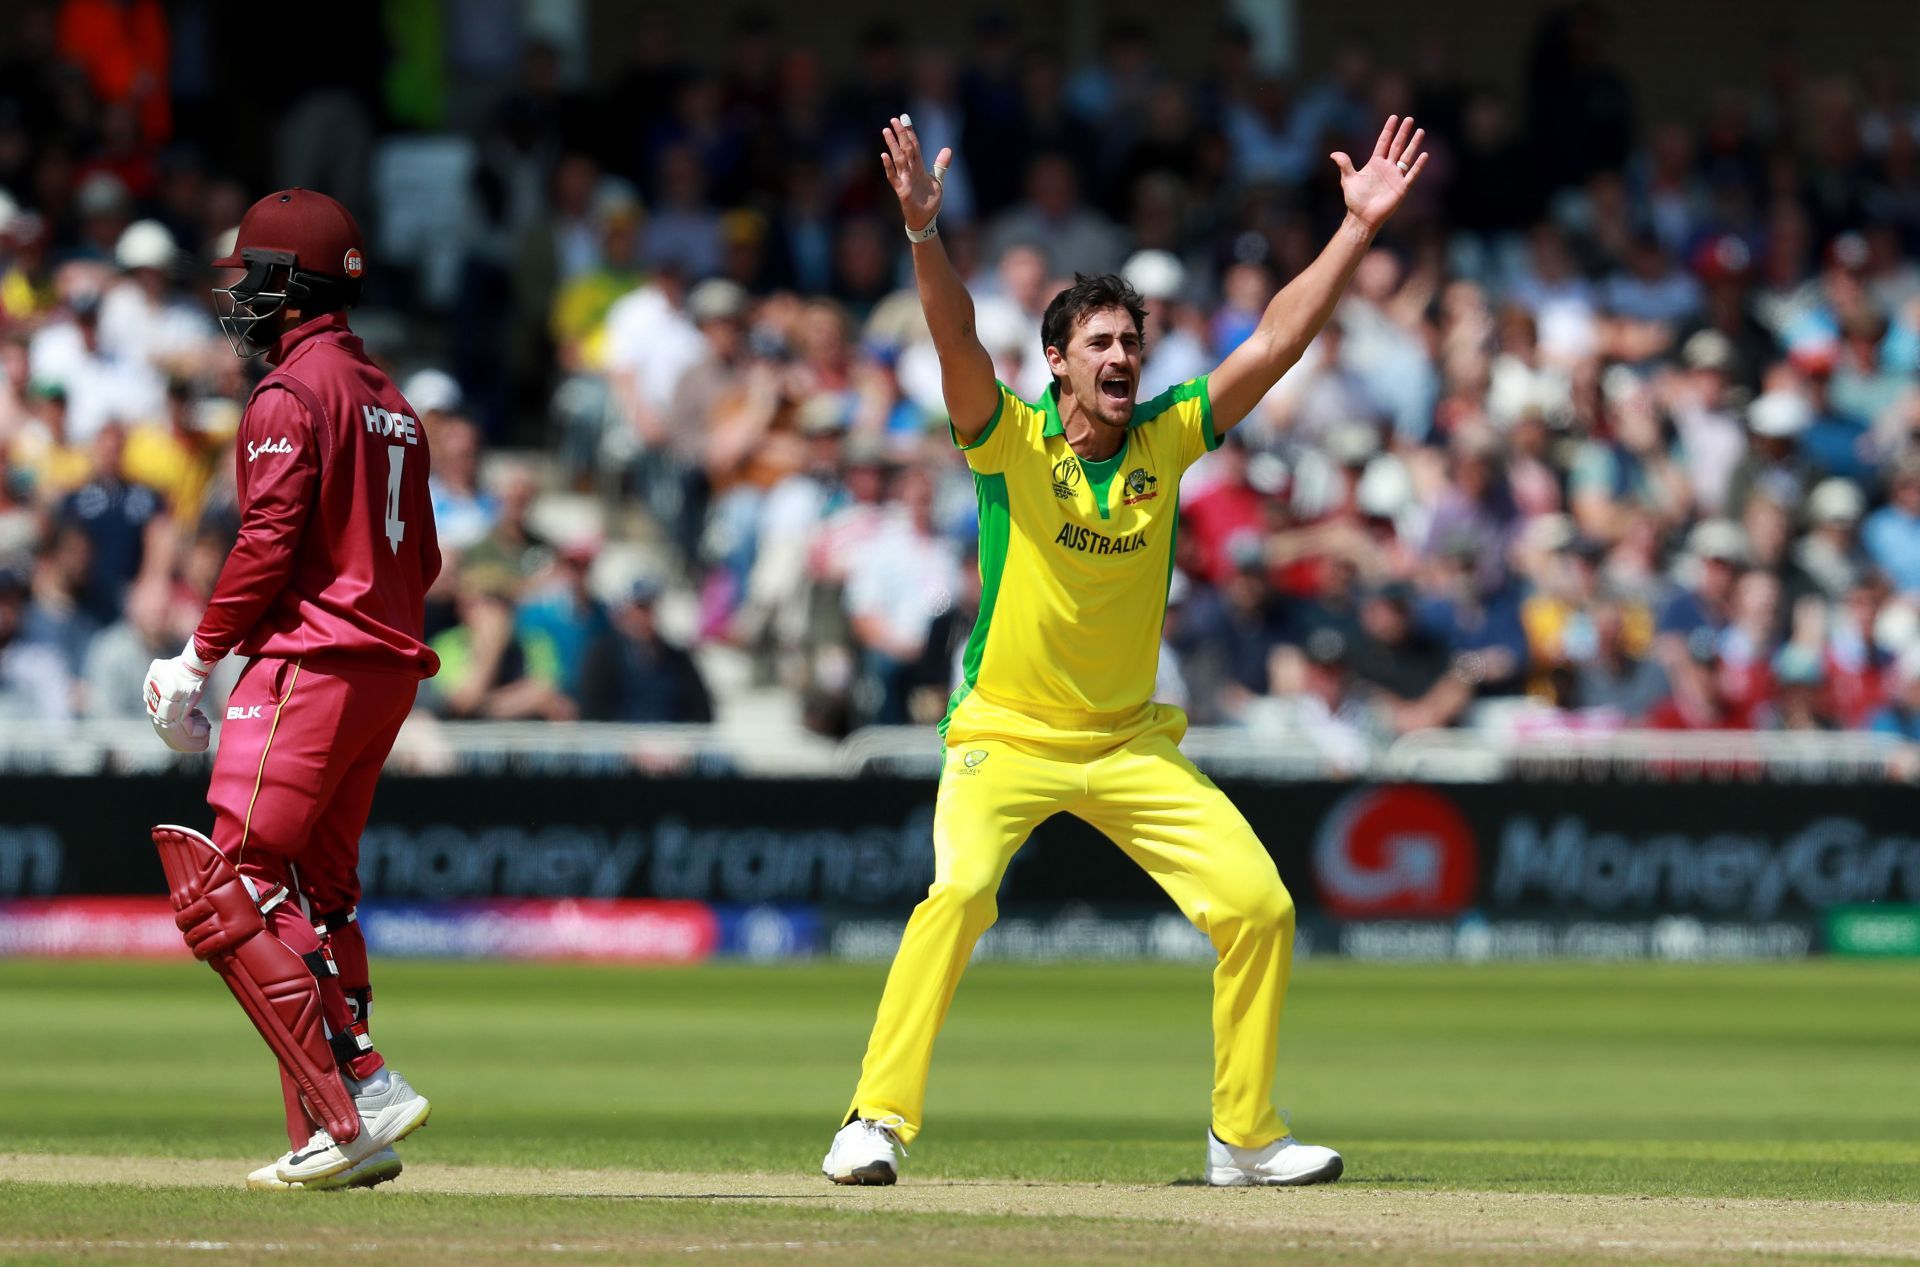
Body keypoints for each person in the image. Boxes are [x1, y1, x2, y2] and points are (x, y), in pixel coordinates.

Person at [822, 112, 1428, 1188]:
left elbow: (1278, 341)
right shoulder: (1008, 439)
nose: (1121, 357)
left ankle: (1242, 1135)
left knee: (1259, 906)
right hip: (1003, 734)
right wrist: (923, 234)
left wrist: (1356, 233)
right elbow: (957, 340)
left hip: (1127, 744)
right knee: (958, 893)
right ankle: (874, 1119)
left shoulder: (1167, 436)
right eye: (1099, 342)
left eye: (1131, 342)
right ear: (1056, 360)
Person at [140, 189, 440, 1192]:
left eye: (250, 278)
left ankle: (357, 1080)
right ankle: (335, 1133)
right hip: (384, 663)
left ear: (285, 282)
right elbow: (425, 555)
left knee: (234, 881)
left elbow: (268, 538)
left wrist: (198, 656)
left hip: (309, 658)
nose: (239, 298)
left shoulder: (288, 395)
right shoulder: (391, 401)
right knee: (317, 893)